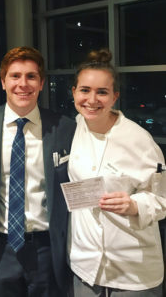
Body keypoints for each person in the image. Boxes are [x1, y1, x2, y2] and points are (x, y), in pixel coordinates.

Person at [0, 46, 76, 297]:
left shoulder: (64, 128)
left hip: (47, 248)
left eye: (31, 76)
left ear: (41, 83)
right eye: (15, 76)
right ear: (3, 81)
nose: (23, 84)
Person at [68, 48, 166, 296]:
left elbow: (162, 198)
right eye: (85, 90)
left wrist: (134, 205)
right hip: (85, 267)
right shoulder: (74, 128)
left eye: (102, 92)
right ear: (74, 92)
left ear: (115, 97)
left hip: (132, 269)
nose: (92, 100)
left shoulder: (139, 139)